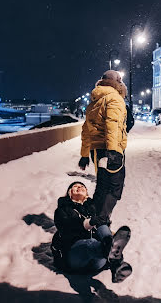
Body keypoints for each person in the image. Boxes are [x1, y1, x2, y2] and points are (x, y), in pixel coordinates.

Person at [51, 181, 131, 282]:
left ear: (87, 194)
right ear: (69, 193)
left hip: (97, 262)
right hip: (74, 259)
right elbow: (66, 228)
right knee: (91, 243)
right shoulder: (62, 210)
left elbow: (104, 193)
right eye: (75, 187)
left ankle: (113, 258)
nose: (79, 188)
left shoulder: (93, 209)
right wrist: (86, 224)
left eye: (82, 187)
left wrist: (108, 233)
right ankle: (109, 252)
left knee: (102, 225)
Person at [78, 70, 127, 227]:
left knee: (102, 185)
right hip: (110, 150)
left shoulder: (94, 102)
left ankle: (95, 217)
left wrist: (85, 154)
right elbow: (112, 124)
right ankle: (101, 220)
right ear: (117, 81)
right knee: (115, 186)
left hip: (97, 151)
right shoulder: (115, 99)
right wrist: (113, 151)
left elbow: (86, 130)